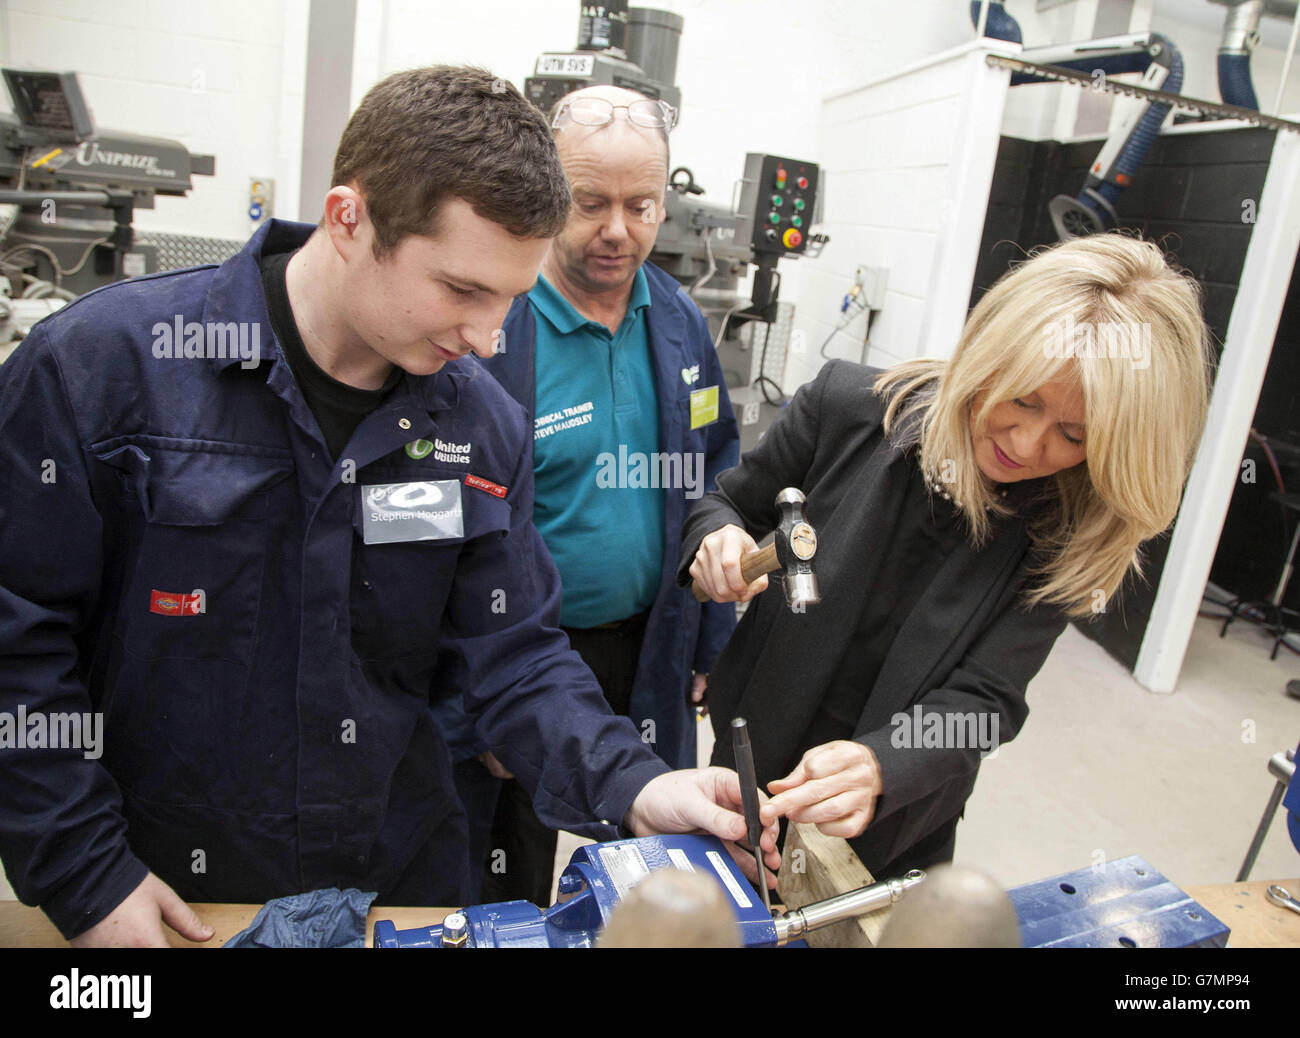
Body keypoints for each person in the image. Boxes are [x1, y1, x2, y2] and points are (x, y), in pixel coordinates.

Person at [0, 65, 777, 948]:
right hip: (169, 893)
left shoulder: (481, 428)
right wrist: (85, 871)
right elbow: (16, 646)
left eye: (511, 300)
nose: (488, 338)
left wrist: (637, 784)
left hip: (395, 890)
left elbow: (513, 657)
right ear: (349, 219)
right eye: (463, 290)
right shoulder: (105, 371)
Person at [683, 232, 1212, 879]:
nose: (1025, 442)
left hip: (898, 817)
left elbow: (987, 697)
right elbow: (727, 502)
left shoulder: (1066, 530)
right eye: (1023, 397)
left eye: (1074, 436)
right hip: (750, 754)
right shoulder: (848, 406)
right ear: (991, 348)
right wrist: (716, 540)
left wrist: (888, 762)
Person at [438, 84, 740, 905]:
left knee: (657, 856)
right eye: (590, 202)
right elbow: (445, 533)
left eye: (640, 204)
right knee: (503, 874)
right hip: (522, 650)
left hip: (650, 645)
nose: (618, 229)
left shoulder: (675, 320)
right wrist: (486, 705)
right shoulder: (490, 329)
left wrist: (710, 641)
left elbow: (711, 473)